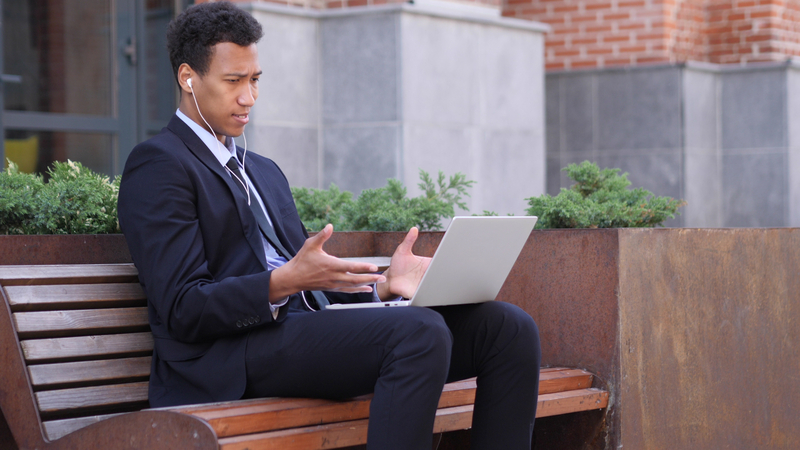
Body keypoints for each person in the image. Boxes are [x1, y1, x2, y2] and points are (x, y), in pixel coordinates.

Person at [117, 2, 540, 449]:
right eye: (233, 81)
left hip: (299, 333)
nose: (249, 97)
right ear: (188, 78)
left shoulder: (260, 170)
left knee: (507, 329)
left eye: (255, 79)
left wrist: (380, 287)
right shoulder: (160, 165)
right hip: (229, 357)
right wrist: (278, 284)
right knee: (419, 334)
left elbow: (307, 273)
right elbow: (182, 307)